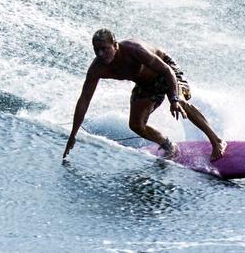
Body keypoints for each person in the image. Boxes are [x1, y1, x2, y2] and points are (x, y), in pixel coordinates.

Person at [62, 28, 227, 162]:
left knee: (181, 103)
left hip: (166, 71)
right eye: (96, 50)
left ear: (115, 45)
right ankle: (168, 145)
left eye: (104, 49)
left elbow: (166, 70)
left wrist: (174, 99)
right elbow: (84, 100)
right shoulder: (97, 68)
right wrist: (73, 134)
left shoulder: (134, 49)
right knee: (136, 124)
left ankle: (216, 140)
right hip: (146, 85)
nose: (100, 54)